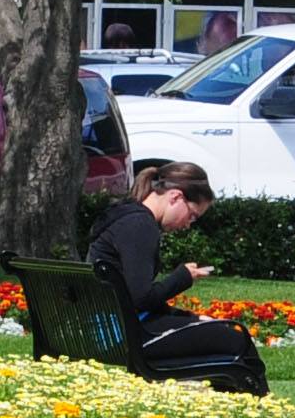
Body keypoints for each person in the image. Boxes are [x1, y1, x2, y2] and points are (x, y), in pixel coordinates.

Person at [84, 162, 268, 395]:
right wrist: (182, 277)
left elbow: (132, 295)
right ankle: (262, 407)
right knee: (235, 338)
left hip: (107, 328)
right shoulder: (140, 226)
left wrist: (187, 317)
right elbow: (141, 298)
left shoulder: (123, 215)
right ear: (175, 197)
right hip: (122, 335)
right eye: (192, 215)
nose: (188, 225)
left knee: (219, 330)